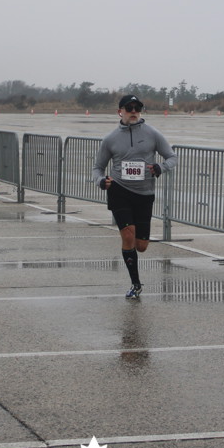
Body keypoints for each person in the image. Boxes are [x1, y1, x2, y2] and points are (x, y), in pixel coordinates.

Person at [92, 95, 178, 298]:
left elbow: (172, 157)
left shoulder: (152, 133)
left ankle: (136, 267)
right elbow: (97, 168)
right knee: (128, 234)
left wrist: (160, 167)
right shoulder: (110, 139)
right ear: (119, 112)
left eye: (137, 108)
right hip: (119, 191)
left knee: (141, 246)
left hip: (144, 194)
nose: (133, 111)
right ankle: (135, 284)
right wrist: (101, 181)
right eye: (129, 108)